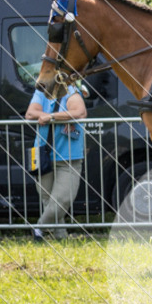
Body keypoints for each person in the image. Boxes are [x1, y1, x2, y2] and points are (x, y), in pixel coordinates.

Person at [26, 85, 87, 240]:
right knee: (48, 200)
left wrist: (51, 117)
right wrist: (57, 116)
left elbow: (79, 112)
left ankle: (39, 229)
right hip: (42, 153)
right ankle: (61, 237)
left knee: (61, 200)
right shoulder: (41, 91)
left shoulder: (71, 90)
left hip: (69, 157)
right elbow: (30, 113)